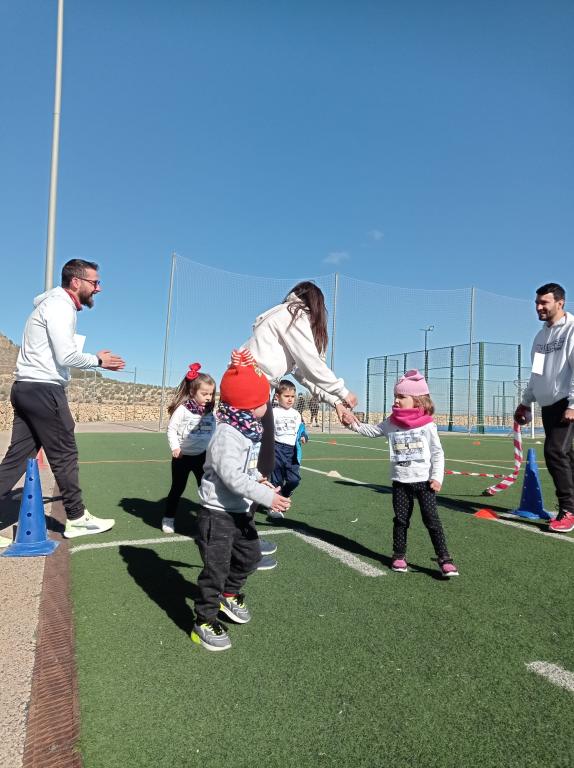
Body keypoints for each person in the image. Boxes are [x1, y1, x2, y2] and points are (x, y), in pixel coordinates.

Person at [0, 259, 125, 543]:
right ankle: (77, 517)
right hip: (44, 390)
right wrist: (98, 360)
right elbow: (66, 356)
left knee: (16, 460)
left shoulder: (52, 305)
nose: (99, 288)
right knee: (65, 454)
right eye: (95, 282)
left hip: (26, 388)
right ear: (76, 282)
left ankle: (77, 515)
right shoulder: (60, 307)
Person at [191, 349, 291, 651]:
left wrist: (261, 482)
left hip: (239, 512)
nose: (268, 405)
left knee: (249, 557)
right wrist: (266, 497)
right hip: (217, 514)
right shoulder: (227, 434)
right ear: (249, 404)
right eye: (264, 401)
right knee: (215, 570)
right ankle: (203, 620)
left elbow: (243, 471)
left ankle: (230, 594)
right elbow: (230, 476)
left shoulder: (247, 431)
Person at [342, 369, 459, 577]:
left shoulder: (427, 425)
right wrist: (352, 423)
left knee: (432, 521)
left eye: (401, 397)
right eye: (395, 396)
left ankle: (445, 558)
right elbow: (372, 431)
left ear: (418, 401)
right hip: (400, 482)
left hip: (425, 483)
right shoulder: (391, 422)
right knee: (401, 520)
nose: (396, 400)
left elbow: (437, 453)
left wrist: (437, 477)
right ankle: (399, 555)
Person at [243, 281, 358, 477]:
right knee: (252, 456)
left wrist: (335, 402)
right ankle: (235, 503)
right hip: (249, 385)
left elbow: (303, 373)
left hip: (253, 386)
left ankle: (253, 498)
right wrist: (343, 392)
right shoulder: (293, 314)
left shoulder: (284, 313)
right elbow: (311, 364)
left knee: (260, 458)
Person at [514, 282, 574, 533]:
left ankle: (568, 511)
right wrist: (526, 401)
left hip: (567, 403)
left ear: (560, 303)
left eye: (544, 303)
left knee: (555, 451)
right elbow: (536, 373)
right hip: (548, 405)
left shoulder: (571, 330)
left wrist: (573, 402)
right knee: (566, 455)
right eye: (536, 303)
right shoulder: (540, 337)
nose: (538, 307)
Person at [162, 363, 216, 534]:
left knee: (206, 489)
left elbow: (214, 430)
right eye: (204, 393)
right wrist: (175, 447)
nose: (209, 397)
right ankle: (168, 518)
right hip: (182, 457)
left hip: (202, 457)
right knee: (177, 488)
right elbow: (171, 429)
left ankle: (206, 520)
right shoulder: (184, 410)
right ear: (193, 392)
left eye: (211, 394)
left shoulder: (210, 411)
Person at [267, 379, 308, 520]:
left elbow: (301, 429)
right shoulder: (273, 412)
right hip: (277, 449)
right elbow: (266, 430)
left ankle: (283, 495)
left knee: (294, 480)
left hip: (292, 452)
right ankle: (274, 508)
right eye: (287, 396)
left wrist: (303, 436)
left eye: (292, 396)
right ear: (277, 397)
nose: (290, 399)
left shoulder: (296, 414)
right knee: (276, 481)